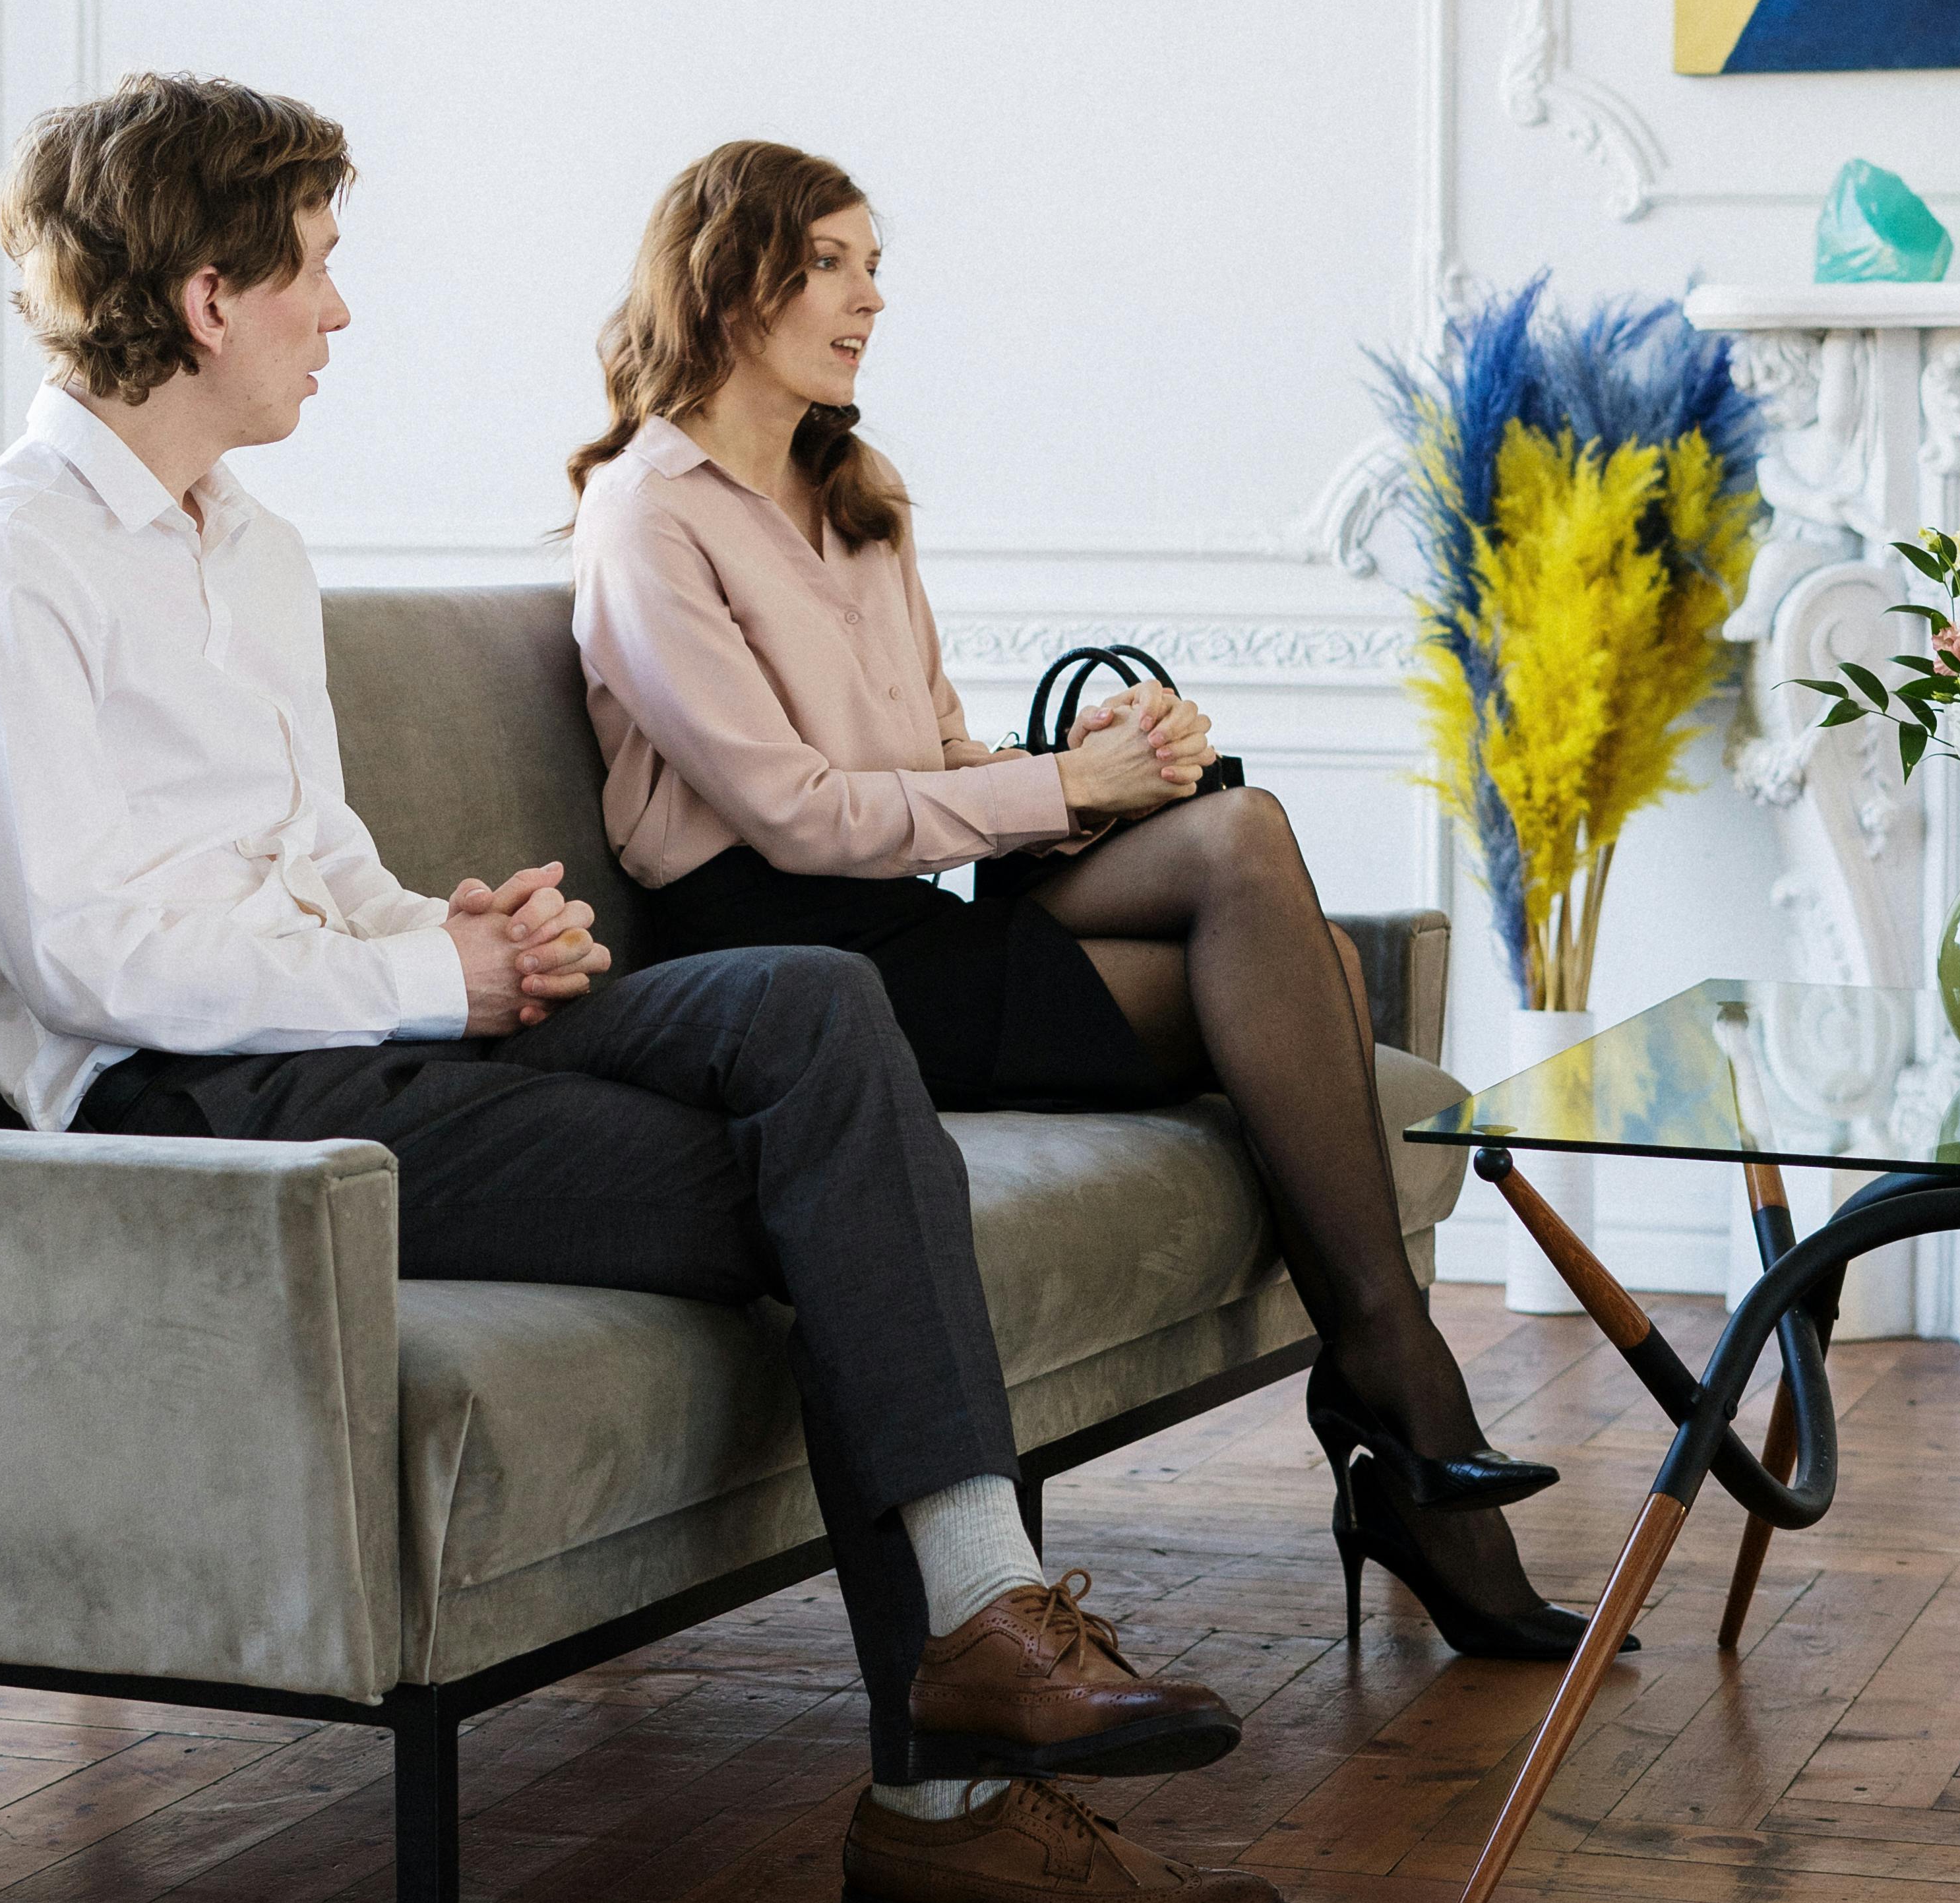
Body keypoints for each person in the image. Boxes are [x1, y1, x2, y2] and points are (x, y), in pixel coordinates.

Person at [0, 71, 1291, 1903]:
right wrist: (417, 979)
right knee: (827, 1187)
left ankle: (980, 1654)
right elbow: (90, 960)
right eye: (316, 271)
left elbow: (309, 860)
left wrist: (445, 929)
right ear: (210, 299)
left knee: (810, 1000)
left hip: (349, 1034)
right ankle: (958, 1767)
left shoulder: (248, 549)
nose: (341, 313)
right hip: (189, 1112)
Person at [567, 139, 1582, 1662]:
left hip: (902, 914)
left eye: (869, 261)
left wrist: (1089, 762)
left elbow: (923, 761)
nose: (870, 296)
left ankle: (1390, 1381)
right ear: (729, 282)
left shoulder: (855, 498)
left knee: (1235, 831)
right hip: (773, 961)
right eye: (833, 263)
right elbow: (789, 810)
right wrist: (1058, 796)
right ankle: (1396, 1395)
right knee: (1275, 956)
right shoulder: (648, 515)